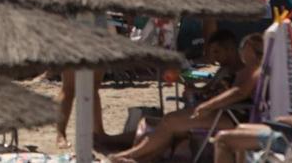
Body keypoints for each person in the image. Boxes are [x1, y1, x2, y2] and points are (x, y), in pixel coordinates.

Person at [111, 34, 265, 163]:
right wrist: (194, 89)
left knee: (169, 122)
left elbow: (239, 93)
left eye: (217, 52)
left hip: (230, 115)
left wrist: (208, 106)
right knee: (167, 125)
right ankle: (135, 158)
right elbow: (212, 88)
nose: (242, 51)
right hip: (220, 111)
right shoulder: (231, 69)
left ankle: (128, 156)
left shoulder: (251, 69)